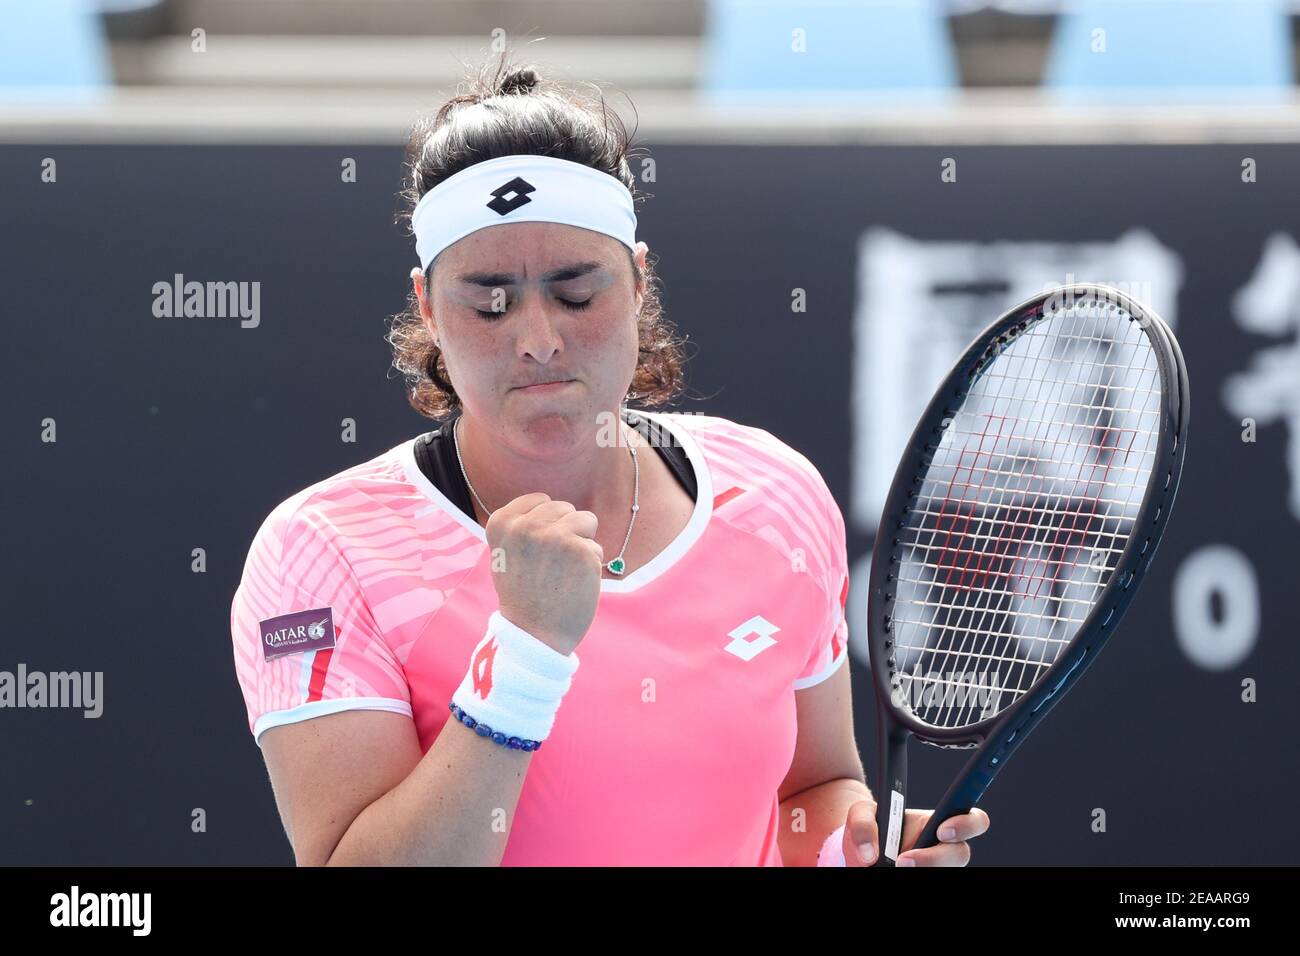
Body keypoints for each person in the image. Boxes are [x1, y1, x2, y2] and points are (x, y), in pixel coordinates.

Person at [229, 54, 989, 866]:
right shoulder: (321, 551)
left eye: (577, 293)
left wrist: (853, 851)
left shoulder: (773, 493)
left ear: (637, 281)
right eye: (489, 301)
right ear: (427, 307)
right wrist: (525, 653)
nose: (538, 339)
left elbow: (812, 791)